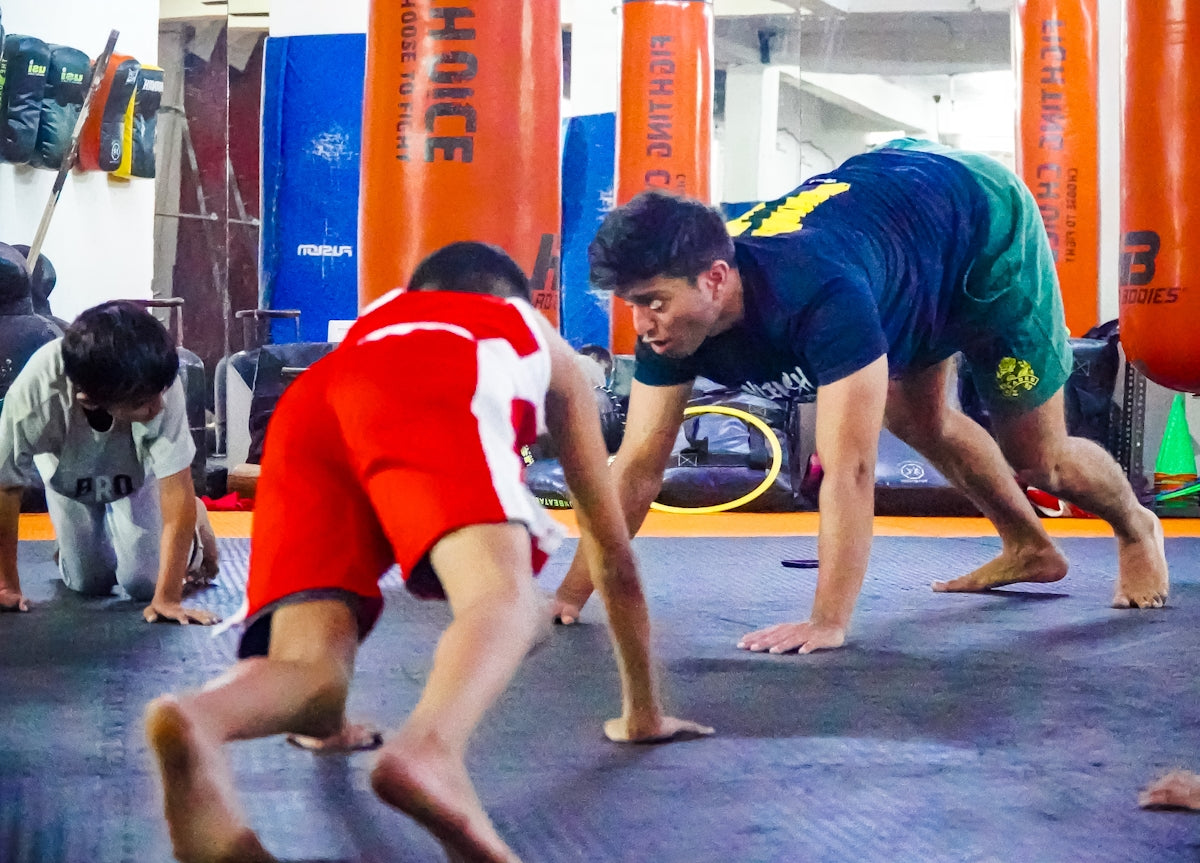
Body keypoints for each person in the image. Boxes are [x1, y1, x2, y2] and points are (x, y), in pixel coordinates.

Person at [144, 242, 711, 863]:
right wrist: (643, 715)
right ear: (512, 300)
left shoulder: (379, 321)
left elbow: (383, 411)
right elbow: (611, 549)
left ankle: (200, 719)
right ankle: (431, 752)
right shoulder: (531, 335)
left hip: (314, 403)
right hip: (442, 378)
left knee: (313, 674)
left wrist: (331, 730)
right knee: (512, 602)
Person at [552, 138, 1169, 653]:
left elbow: (850, 469)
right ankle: (1030, 548)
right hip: (896, 229)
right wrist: (566, 598)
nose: (642, 324)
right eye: (631, 305)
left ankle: (1138, 529)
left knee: (1040, 458)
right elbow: (636, 470)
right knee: (918, 419)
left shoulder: (820, 297)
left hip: (979, 225)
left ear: (715, 280)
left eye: (653, 303)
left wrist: (827, 622)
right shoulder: (677, 321)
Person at [0, 300, 219, 622]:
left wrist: (168, 597)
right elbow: (6, 489)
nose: (158, 407)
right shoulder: (35, 398)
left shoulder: (156, 382)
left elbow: (175, 488)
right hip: (67, 466)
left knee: (143, 584)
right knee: (89, 584)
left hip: (136, 466)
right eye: (144, 403)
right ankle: (78, 547)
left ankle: (195, 523)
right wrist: (6, 584)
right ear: (88, 401)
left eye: (160, 394)